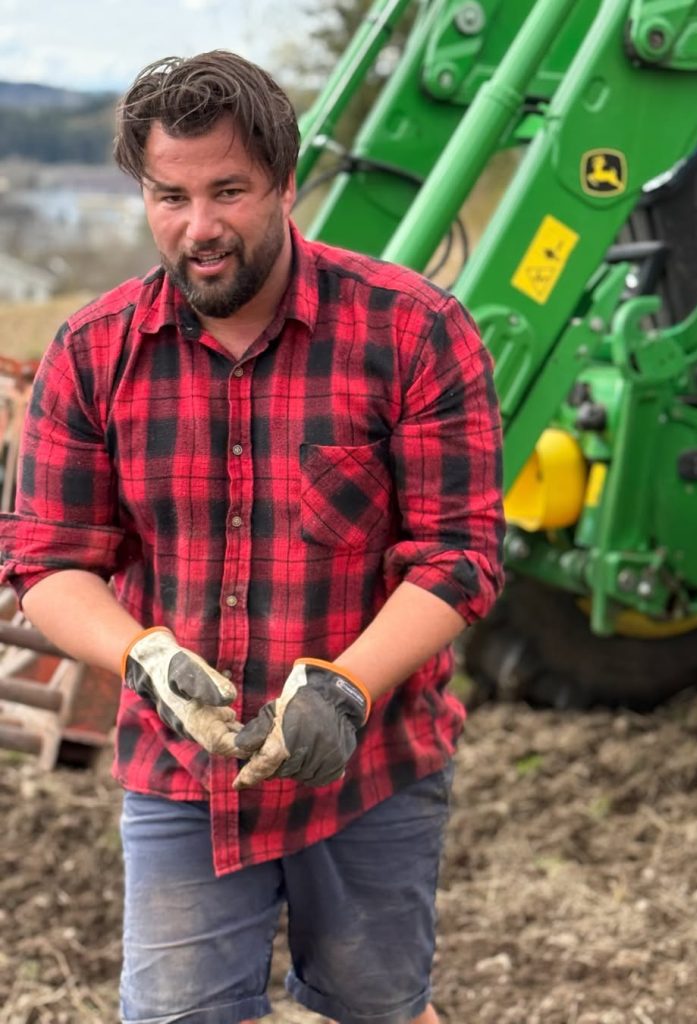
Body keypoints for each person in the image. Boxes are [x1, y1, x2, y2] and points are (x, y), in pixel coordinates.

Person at [0, 50, 505, 1024]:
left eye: (227, 191)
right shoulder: (93, 353)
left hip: (372, 772)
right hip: (183, 777)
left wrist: (346, 686)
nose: (199, 227)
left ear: (284, 182)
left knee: (379, 1008)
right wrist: (141, 655)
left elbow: (459, 553)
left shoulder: (415, 332)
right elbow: (50, 561)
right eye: (171, 196)